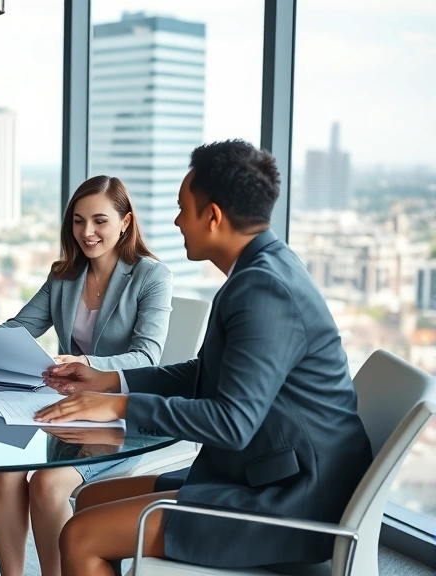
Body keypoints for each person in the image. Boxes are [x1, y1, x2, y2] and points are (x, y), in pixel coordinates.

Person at [36, 140, 373, 576]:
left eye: (183, 208)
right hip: (271, 470)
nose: (176, 221)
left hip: (292, 498)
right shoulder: (264, 269)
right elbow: (205, 373)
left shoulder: (262, 290)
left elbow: (231, 424)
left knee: (81, 535)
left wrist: (118, 406)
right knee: (90, 498)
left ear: (212, 217)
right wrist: (109, 381)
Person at [0, 175, 173, 576]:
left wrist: (89, 365)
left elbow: (148, 358)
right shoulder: (64, 274)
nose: (87, 232)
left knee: (47, 485)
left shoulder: (151, 276)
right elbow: (19, 327)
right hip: (61, 408)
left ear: (125, 222)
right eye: (78, 221)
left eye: (99, 221)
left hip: (115, 415)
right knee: (5, 473)